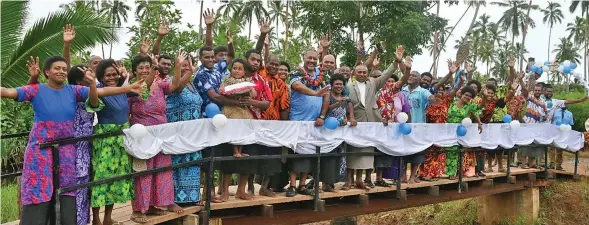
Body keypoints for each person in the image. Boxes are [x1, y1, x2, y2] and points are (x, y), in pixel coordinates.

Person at [1, 56, 142, 225]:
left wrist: (128, 89)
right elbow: (9, 92)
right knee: (38, 186)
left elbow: (101, 92)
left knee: (67, 188)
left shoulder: (73, 90)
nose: (61, 71)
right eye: (57, 68)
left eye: (63, 69)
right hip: (40, 148)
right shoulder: (36, 90)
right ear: (47, 72)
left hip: (66, 148)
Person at [129, 51, 189, 222]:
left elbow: (174, 86)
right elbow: (145, 90)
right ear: (135, 70)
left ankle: (157, 204)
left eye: (148, 67)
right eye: (141, 67)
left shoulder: (160, 84)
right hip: (142, 135)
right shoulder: (133, 86)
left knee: (161, 169)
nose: (145, 70)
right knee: (143, 172)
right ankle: (139, 209)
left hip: (161, 134)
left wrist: (178, 67)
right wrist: (154, 69)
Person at [346, 45, 404, 188]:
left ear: (368, 73)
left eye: (364, 72)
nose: (362, 74)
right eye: (359, 71)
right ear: (355, 73)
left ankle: (361, 180)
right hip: (355, 121)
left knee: (366, 152)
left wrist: (396, 61)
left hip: (371, 121)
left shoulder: (373, 82)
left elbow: (385, 75)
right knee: (352, 151)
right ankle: (349, 181)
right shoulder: (349, 84)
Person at [91, 60, 136, 225]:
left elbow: (143, 89)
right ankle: (95, 218)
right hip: (105, 140)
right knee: (100, 178)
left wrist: (125, 76)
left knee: (115, 179)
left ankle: (108, 217)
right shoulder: (99, 89)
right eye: (108, 75)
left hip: (121, 139)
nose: (112, 77)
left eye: (114, 74)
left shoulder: (123, 90)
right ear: (101, 77)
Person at [286, 49, 330, 197]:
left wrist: (323, 116)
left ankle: (303, 185)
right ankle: (292, 185)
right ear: (303, 58)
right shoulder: (296, 72)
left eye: (314, 58)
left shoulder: (321, 75)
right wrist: (315, 93)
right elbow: (298, 86)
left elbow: (327, 96)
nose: (312, 61)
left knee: (310, 153)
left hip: (314, 122)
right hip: (298, 121)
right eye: (309, 58)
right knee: (296, 153)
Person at [165, 55, 203, 206]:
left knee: (192, 162)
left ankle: (192, 197)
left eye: (189, 65)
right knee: (177, 162)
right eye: (183, 64)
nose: (186, 67)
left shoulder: (192, 85)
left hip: (193, 133)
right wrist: (186, 71)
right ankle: (173, 200)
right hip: (177, 132)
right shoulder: (171, 81)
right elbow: (178, 88)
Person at [419, 62, 461, 181]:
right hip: (428, 131)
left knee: (439, 153)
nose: (440, 92)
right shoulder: (429, 99)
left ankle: (435, 174)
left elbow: (456, 88)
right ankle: (424, 174)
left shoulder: (446, 101)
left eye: (442, 90)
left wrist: (458, 77)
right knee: (428, 153)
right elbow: (437, 86)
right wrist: (450, 73)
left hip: (442, 133)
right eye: (438, 90)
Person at [401, 68, 436, 183]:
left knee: (418, 151)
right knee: (404, 150)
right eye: (410, 75)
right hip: (404, 127)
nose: (411, 77)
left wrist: (432, 98)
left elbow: (431, 98)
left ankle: (412, 176)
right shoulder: (403, 90)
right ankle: (403, 176)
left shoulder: (422, 91)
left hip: (418, 127)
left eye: (414, 76)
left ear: (419, 80)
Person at [376, 74, 411, 186]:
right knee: (382, 151)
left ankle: (397, 177)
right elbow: (375, 109)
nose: (390, 83)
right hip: (383, 127)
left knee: (397, 152)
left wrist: (408, 124)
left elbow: (406, 111)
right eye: (388, 80)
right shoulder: (379, 94)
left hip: (397, 128)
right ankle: (379, 178)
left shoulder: (400, 96)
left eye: (393, 81)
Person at [324, 74, 358, 191]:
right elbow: (327, 109)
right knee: (328, 157)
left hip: (341, 133)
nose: (339, 86)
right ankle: (325, 183)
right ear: (332, 85)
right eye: (337, 84)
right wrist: (339, 102)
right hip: (328, 131)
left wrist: (349, 119)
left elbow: (350, 112)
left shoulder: (346, 99)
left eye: (341, 84)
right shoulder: (328, 96)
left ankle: (334, 182)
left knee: (340, 157)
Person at [543, 84, 588, 170]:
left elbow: (568, 102)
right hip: (548, 129)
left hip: (561, 132)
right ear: (544, 91)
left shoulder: (555, 103)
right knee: (550, 148)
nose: (549, 93)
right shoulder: (541, 101)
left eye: (551, 92)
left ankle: (559, 165)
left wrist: (581, 100)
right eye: (548, 91)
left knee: (560, 148)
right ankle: (550, 164)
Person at [445, 86, 483, 179]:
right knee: (446, 151)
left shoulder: (469, 106)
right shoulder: (451, 103)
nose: (467, 97)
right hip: (447, 130)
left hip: (459, 132)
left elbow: (477, 109)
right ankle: (444, 171)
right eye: (466, 95)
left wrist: (479, 123)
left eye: (470, 96)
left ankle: (452, 173)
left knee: (454, 151)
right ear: (462, 94)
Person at [220, 59, 255, 157]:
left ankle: (240, 150)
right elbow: (221, 90)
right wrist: (232, 91)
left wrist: (250, 91)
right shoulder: (228, 80)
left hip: (243, 109)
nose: (237, 71)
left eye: (240, 69)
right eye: (234, 68)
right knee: (234, 128)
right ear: (231, 70)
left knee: (243, 129)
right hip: (232, 108)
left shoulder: (247, 81)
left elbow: (253, 94)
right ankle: (235, 150)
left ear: (244, 72)